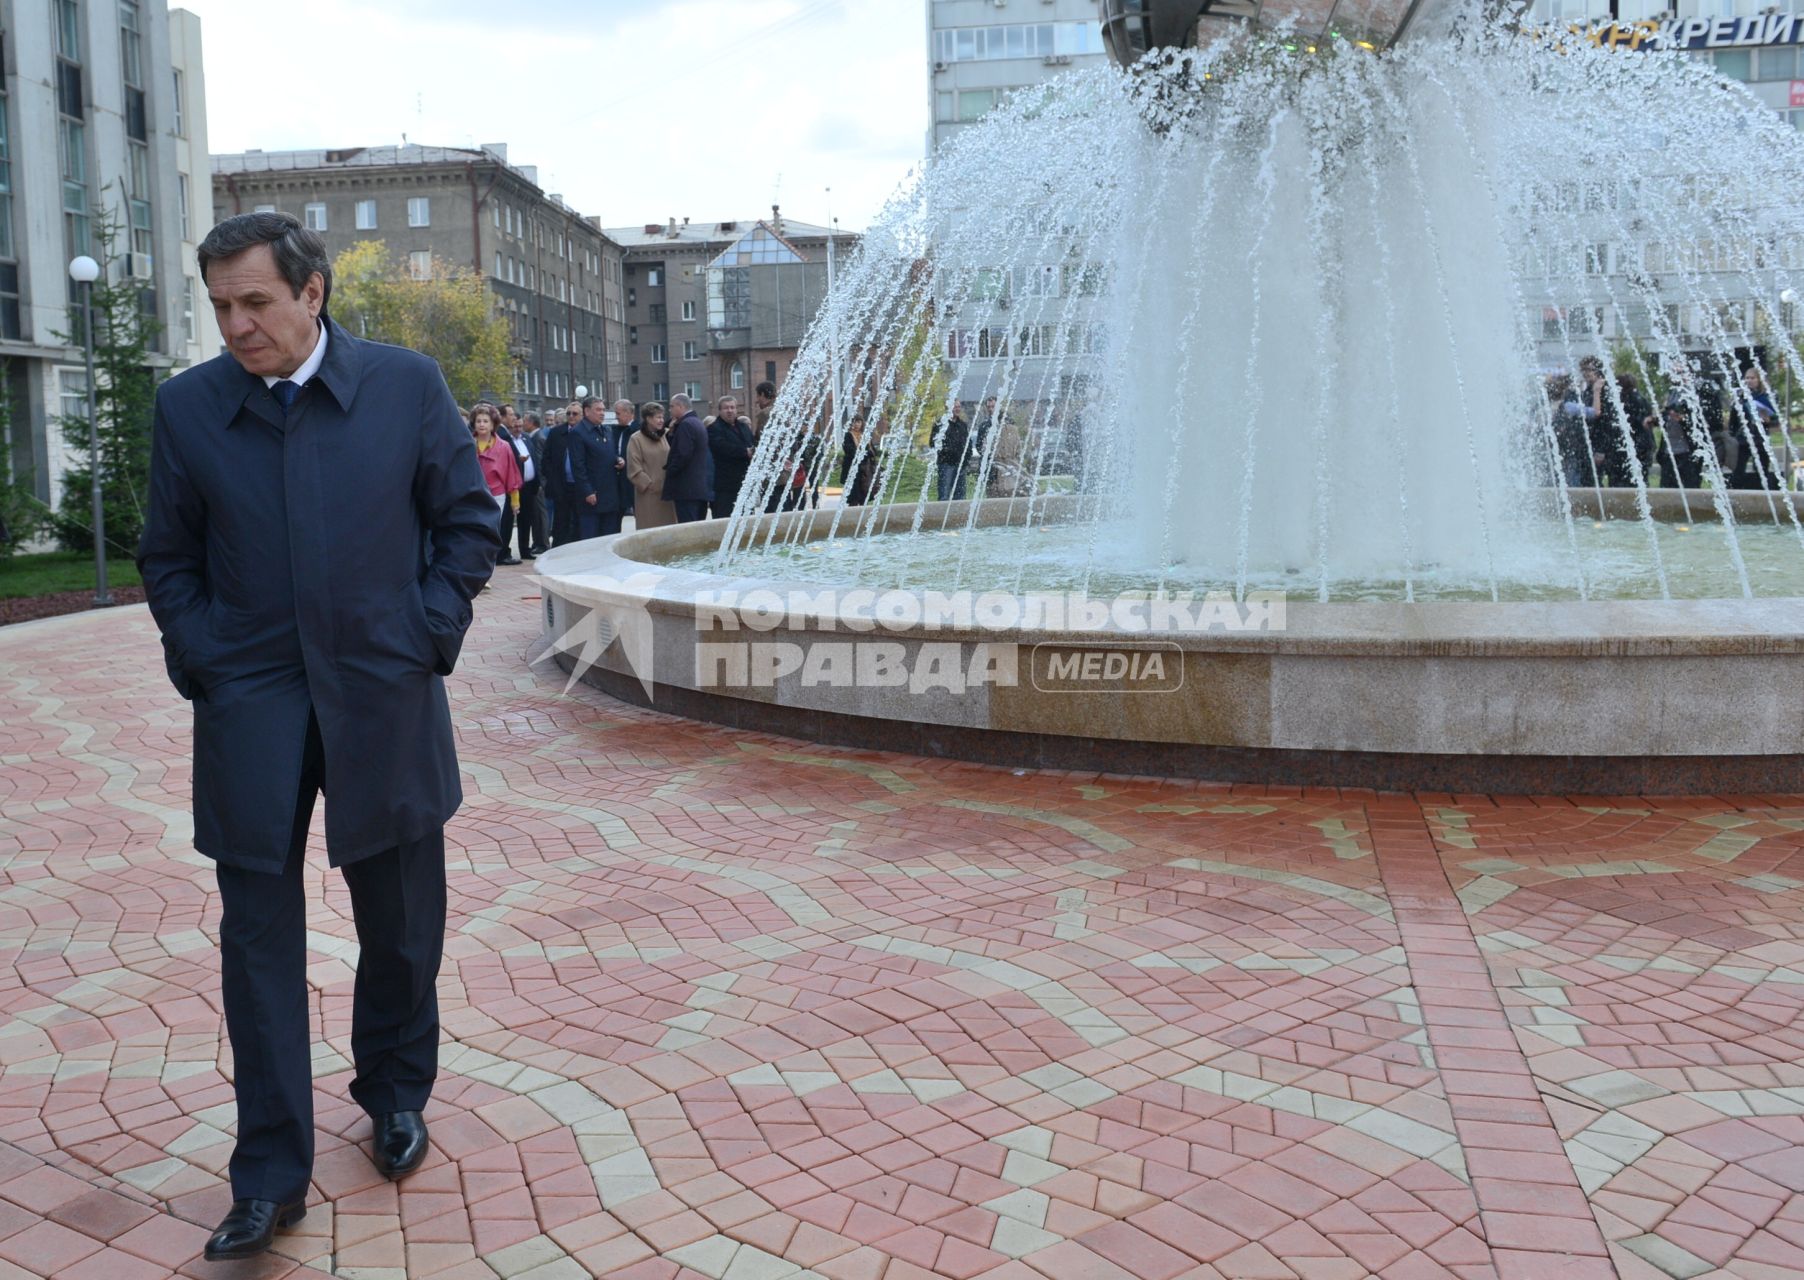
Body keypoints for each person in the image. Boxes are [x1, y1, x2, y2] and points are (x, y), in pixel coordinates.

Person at [137, 212, 499, 1262]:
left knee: (398, 917)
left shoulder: (404, 385)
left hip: (381, 688)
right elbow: (170, 556)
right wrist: (206, 656)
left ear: (313, 292)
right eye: (220, 307)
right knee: (255, 935)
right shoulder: (190, 409)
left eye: (255, 301)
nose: (237, 325)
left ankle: (392, 1093)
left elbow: (467, 521)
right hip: (250, 702)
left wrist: (425, 631)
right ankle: (269, 1171)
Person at [471, 405, 524, 556]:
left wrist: (515, 501)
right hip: (473, 495)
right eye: (478, 421)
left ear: (493, 424)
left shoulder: (504, 447)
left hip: (496, 495)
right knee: (474, 530)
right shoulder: (467, 444)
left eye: (485, 421)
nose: (482, 424)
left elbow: (511, 474)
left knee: (490, 530)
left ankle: (487, 559)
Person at [571, 396, 624, 538]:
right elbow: (578, 465)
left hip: (610, 493)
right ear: (587, 411)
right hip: (592, 496)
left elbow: (609, 454)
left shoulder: (606, 430)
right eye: (598, 410)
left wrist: (618, 460)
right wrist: (587, 491)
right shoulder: (578, 433)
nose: (602, 413)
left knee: (609, 537)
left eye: (603, 410)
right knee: (591, 539)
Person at [626, 401, 677, 529]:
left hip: (667, 493)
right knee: (650, 529)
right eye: (658, 417)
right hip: (648, 495)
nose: (661, 420)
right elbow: (634, 467)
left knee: (669, 530)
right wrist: (650, 484)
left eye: (662, 417)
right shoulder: (636, 439)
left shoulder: (665, 435)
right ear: (648, 419)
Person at [540, 406, 586, 545]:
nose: (571, 416)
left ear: (583, 415)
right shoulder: (556, 433)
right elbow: (546, 459)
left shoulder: (586, 432)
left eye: (575, 413)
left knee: (579, 522)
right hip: (561, 486)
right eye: (568, 413)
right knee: (561, 522)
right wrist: (553, 481)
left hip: (581, 487)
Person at [662, 392, 711, 522]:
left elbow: (682, 454)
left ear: (680, 406)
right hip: (699, 488)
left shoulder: (686, 425)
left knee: (688, 530)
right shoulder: (698, 423)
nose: (670, 410)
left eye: (672, 406)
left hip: (686, 488)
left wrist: (670, 471)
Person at [708, 395, 757, 518]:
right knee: (725, 519)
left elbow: (752, 443)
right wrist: (745, 452)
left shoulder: (743, 426)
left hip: (745, 483)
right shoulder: (714, 428)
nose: (729, 410)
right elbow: (722, 447)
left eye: (732, 407)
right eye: (726, 408)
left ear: (736, 409)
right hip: (726, 486)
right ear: (719, 410)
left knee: (747, 519)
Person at [515, 412, 547, 556]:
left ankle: (533, 545)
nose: (519, 428)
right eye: (516, 426)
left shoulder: (531, 438)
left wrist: (539, 482)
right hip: (521, 486)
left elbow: (537, 461)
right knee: (527, 516)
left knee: (533, 517)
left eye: (521, 425)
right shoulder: (514, 440)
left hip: (533, 485)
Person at [936, 402, 972, 501]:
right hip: (946, 464)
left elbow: (968, 442)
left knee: (960, 496)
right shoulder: (941, 424)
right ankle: (942, 515)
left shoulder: (962, 425)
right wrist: (947, 452)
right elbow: (933, 442)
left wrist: (967, 456)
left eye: (959, 407)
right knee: (944, 495)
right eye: (955, 407)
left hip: (961, 465)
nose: (957, 409)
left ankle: (959, 516)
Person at [840, 410, 875, 507]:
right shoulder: (848, 435)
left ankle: (863, 514)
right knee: (853, 494)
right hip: (852, 468)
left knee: (864, 492)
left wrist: (868, 453)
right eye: (854, 422)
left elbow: (872, 451)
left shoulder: (865, 435)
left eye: (858, 422)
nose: (856, 424)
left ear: (862, 423)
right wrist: (863, 453)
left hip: (865, 469)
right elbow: (849, 450)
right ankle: (853, 516)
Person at [612, 400, 639, 517]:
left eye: (618, 414)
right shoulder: (614, 430)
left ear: (629, 413)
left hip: (634, 481)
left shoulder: (639, 430)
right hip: (617, 481)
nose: (616, 417)